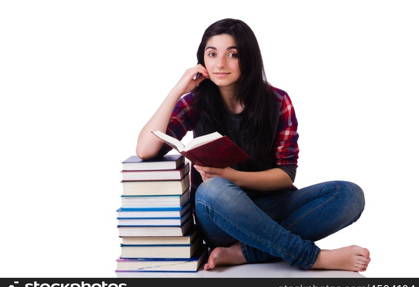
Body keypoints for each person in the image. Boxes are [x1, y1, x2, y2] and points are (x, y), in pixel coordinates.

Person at [136, 18, 371, 272]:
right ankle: (312, 258)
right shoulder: (196, 101)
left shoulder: (277, 101)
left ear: (248, 58)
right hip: (220, 215)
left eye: (232, 54)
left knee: (349, 195)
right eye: (212, 54)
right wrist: (179, 88)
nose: (220, 64)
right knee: (212, 190)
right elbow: (145, 149)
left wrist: (233, 176)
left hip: (272, 206)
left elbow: (286, 175)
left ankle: (246, 253)